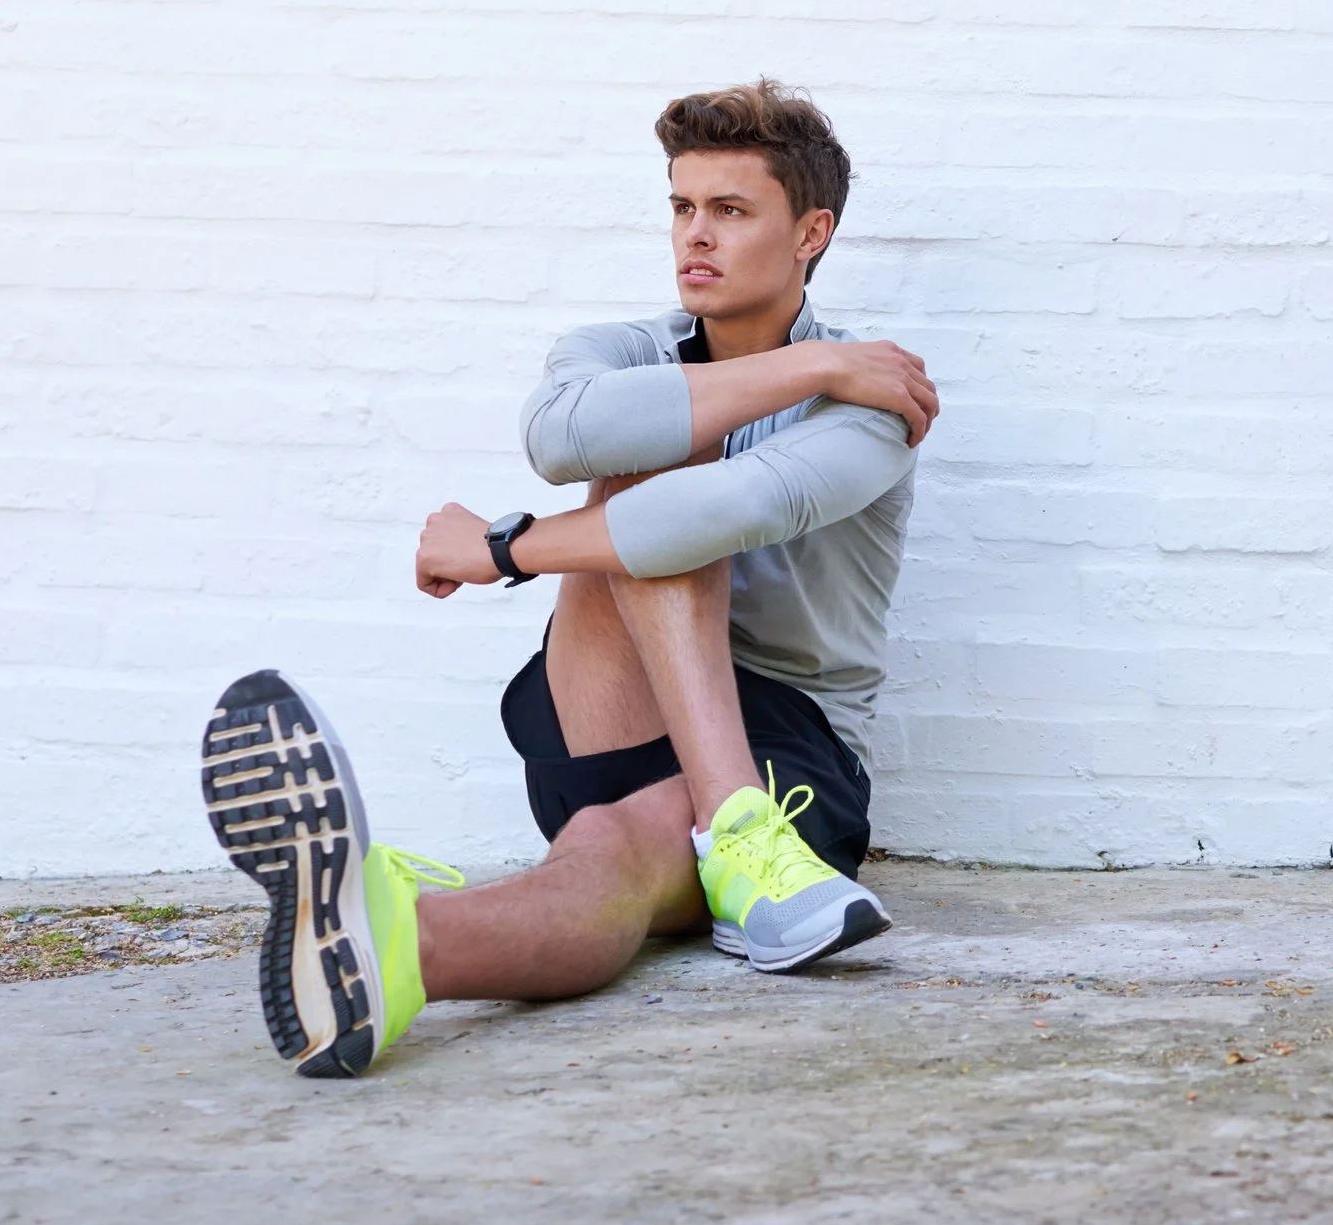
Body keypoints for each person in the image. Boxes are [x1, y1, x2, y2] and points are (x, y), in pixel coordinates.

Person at [194, 80, 941, 1078]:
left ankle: (397, 941)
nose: (695, 238)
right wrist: (809, 367)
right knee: (644, 436)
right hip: (609, 695)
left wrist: (498, 550)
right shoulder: (635, 352)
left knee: (612, 863)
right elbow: (561, 439)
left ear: (811, 233)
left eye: (730, 210)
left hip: (790, 743)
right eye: (681, 207)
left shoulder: (879, 406)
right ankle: (738, 843)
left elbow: (711, 516)